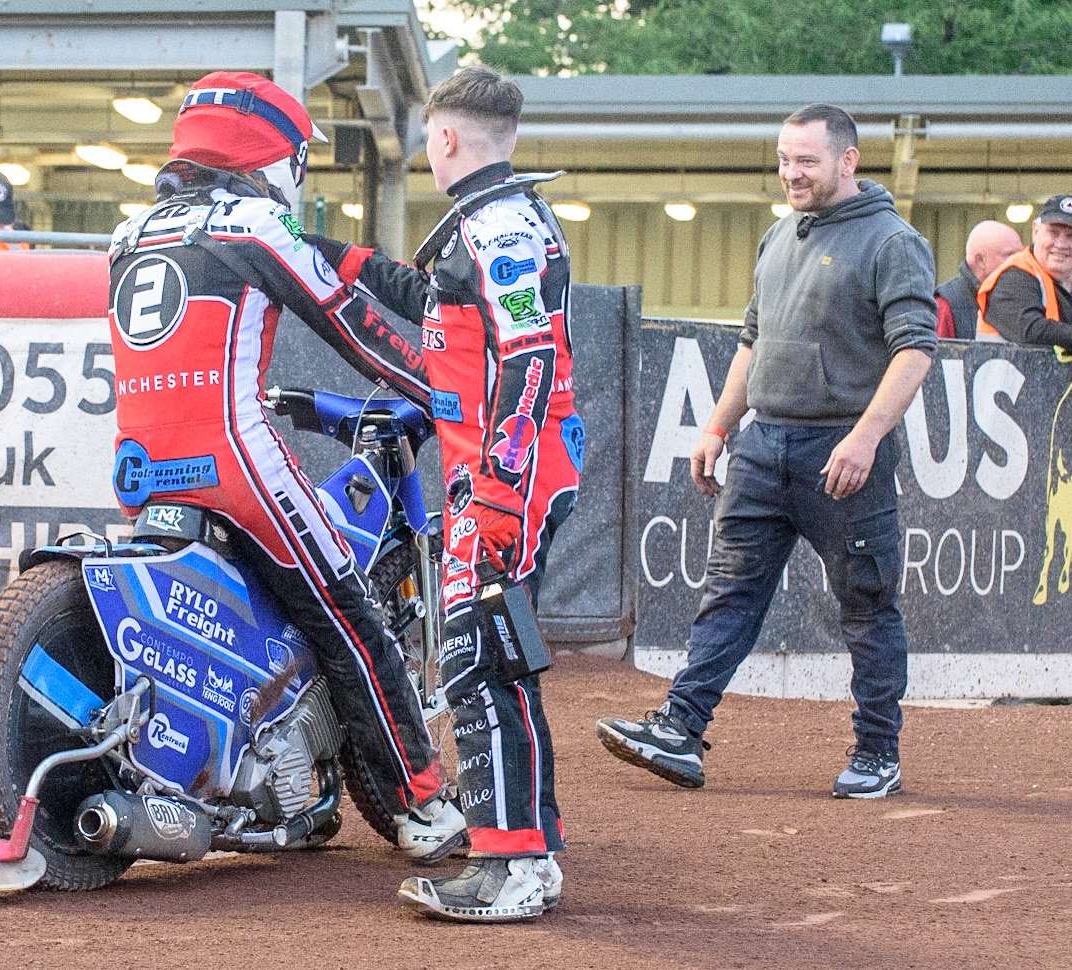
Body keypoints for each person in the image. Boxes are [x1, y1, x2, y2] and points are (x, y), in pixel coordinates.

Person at [104, 71, 466, 868]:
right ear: (275, 153)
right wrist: (445, 397)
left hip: (142, 464)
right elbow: (354, 327)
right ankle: (424, 804)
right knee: (352, 620)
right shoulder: (254, 221)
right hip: (237, 460)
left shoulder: (129, 233)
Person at [596, 103, 937, 801]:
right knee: (728, 595)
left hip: (840, 454)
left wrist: (864, 438)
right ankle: (679, 731)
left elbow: (914, 350)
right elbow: (752, 340)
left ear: (848, 161)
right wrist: (718, 426)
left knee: (867, 607)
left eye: (805, 161)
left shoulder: (891, 241)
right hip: (762, 447)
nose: (790, 173)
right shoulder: (777, 237)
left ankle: (877, 754)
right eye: (783, 159)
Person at [309, 66, 581, 922]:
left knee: (479, 660)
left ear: (445, 136)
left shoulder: (498, 223)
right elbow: (438, 307)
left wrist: (499, 487)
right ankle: (522, 845)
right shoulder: (491, 218)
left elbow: (530, 355)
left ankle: (515, 868)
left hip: (509, 477)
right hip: (506, 471)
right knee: (488, 659)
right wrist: (339, 258)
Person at [976, 196, 1072, 345]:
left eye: (1070, 236)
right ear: (1035, 231)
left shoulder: (1064, 281)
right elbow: (1031, 330)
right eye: (1053, 232)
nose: (1061, 244)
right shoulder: (1013, 277)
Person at [935, 220, 1023, 339]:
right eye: (1010, 256)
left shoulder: (1026, 297)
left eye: (1021, 255)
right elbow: (938, 353)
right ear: (980, 260)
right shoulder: (946, 305)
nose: (1020, 262)